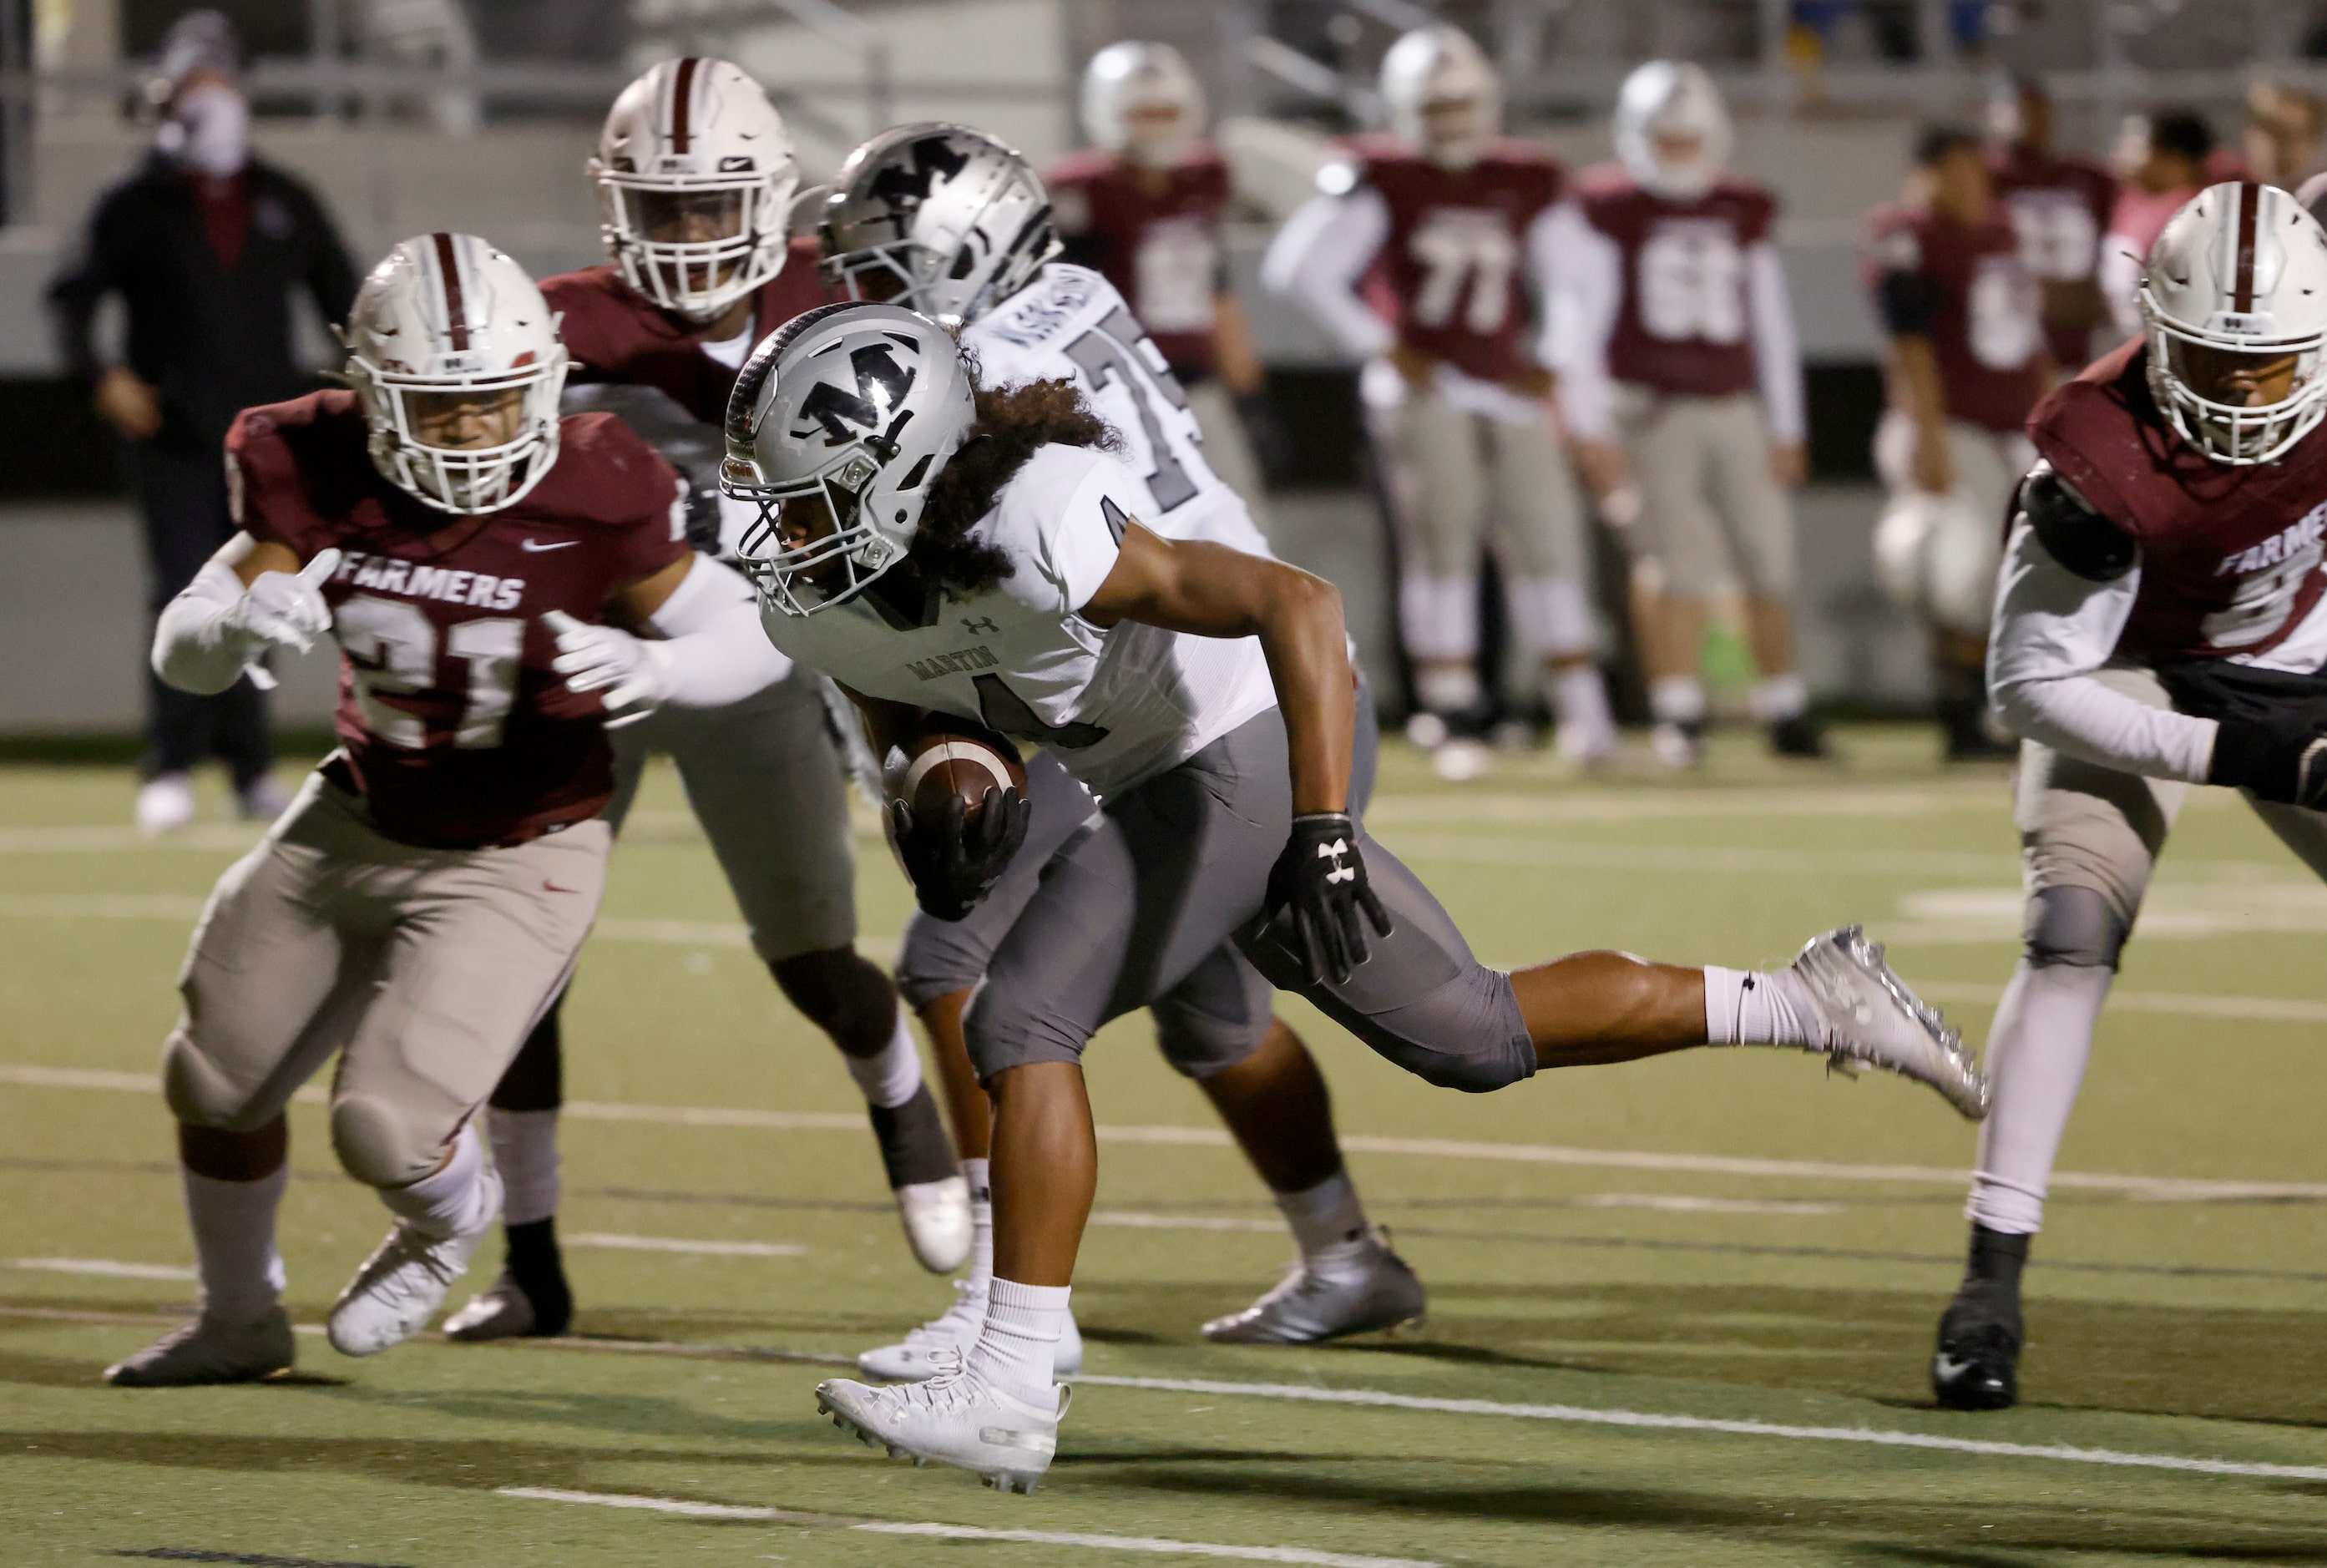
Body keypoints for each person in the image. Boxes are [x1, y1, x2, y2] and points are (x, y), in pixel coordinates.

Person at [723, 300, 1986, 1490]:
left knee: (1021, 1019)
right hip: (1150, 766)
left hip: (1248, 735)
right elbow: (920, 717)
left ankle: (1010, 1372)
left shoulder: (1039, 518)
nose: (781, 533)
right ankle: (1811, 1000)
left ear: (902, 470)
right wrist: (941, 784)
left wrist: (1322, 827)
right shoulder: (821, 607)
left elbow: (1297, 604)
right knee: (1471, 1035)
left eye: (808, 501)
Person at [105, 233, 792, 1385]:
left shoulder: (600, 479)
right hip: (360, 809)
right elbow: (186, 645)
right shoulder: (307, 458)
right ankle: (240, 1316)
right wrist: (227, 624)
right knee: (212, 1077)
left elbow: (753, 632)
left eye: (495, 401)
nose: (474, 430)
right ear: (371, 395)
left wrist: (664, 672)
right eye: (438, 406)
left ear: (541, 382)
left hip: (521, 848)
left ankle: (445, 1221)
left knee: (382, 1127)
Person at [813, 123, 1426, 1374]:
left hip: (1170, 682)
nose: (862, 299)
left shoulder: (985, 361)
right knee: (1213, 1018)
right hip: (1154, 678)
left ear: (959, 252)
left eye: (882, 272)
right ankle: (1345, 1252)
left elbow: (1053, 565)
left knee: (954, 960)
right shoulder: (1075, 289)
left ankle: (1001, 1298)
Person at [438, 57, 969, 1348]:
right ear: (617, 200)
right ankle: (535, 1261)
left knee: (815, 965)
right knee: (522, 974)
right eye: (658, 207)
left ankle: (898, 1099)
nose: (682, 234)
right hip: (588, 666)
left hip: (764, 664)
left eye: (706, 204)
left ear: (771, 195)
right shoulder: (553, 320)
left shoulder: (839, 295)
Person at [1934, 182, 2327, 1409]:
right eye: (2214, 362)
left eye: (2271, 370)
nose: (2244, 398)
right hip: (2126, 662)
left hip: (2297, 652)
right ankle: (1987, 1284)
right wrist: (2247, 757)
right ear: (2155, 328)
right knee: (2068, 927)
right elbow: (2025, 687)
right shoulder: (2095, 456)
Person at [1265, 25, 1616, 776]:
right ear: (1400, 107)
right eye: (1434, 104)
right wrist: (1379, 341)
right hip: (1428, 389)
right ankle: (1451, 710)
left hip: (1507, 390)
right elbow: (1297, 268)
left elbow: (1584, 273)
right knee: (1443, 553)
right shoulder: (1380, 174)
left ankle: (1584, 713)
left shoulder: (1523, 175)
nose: (1450, 119)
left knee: (1549, 545)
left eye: (1460, 102)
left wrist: (1553, 357)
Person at [44, 10, 357, 834]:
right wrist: (100, 376)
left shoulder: (284, 199)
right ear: (167, 100)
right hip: (175, 438)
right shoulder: (136, 202)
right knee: (184, 590)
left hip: (267, 444)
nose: (209, 100)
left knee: (265, 592)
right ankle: (172, 762)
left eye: (218, 82)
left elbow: (349, 304)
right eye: (193, 85)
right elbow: (70, 300)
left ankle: (251, 768)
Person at [1549, 60, 1822, 768]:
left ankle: (1783, 705)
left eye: (1685, 138)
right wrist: (1588, 425)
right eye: (1662, 139)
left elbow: (1771, 322)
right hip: (1649, 408)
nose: (1675, 152)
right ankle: (1679, 710)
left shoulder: (1740, 205)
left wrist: (1787, 423)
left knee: (1768, 558)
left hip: (1732, 403)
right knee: (1672, 566)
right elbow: (1577, 326)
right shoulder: (1604, 206)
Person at [1864, 125, 2049, 761]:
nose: (1975, 187)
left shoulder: (2003, 232)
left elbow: (2030, 338)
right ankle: (1963, 712)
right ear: (1931, 174)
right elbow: (1908, 342)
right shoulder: (1907, 235)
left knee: (2015, 569)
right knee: (1962, 571)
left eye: (1980, 173)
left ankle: (1989, 707)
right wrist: (1928, 435)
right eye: (1961, 173)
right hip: (1948, 425)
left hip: (2009, 427)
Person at [1050, 41, 1279, 541]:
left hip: (1195, 383)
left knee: (1242, 525)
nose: (1156, 125)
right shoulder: (1084, 191)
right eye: (1142, 112)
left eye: (1167, 111)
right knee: (1141, 530)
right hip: (1115, 391)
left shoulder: (1204, 178)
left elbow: (1216, 285)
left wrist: (1247, 386)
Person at [1985, 74, 2116, 374]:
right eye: (2018, 108)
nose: (2028, 119)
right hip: (2010, 335)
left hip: (2081, 330)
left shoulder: (2090, 178)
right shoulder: (1984, 177)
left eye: (2036, 108)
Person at [2097, 112, 2214, 341]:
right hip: (2125, 340)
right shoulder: (2130, 202)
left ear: (2174, 159)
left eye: (2135, 145)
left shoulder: (2195, 216)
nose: (2121, 153)